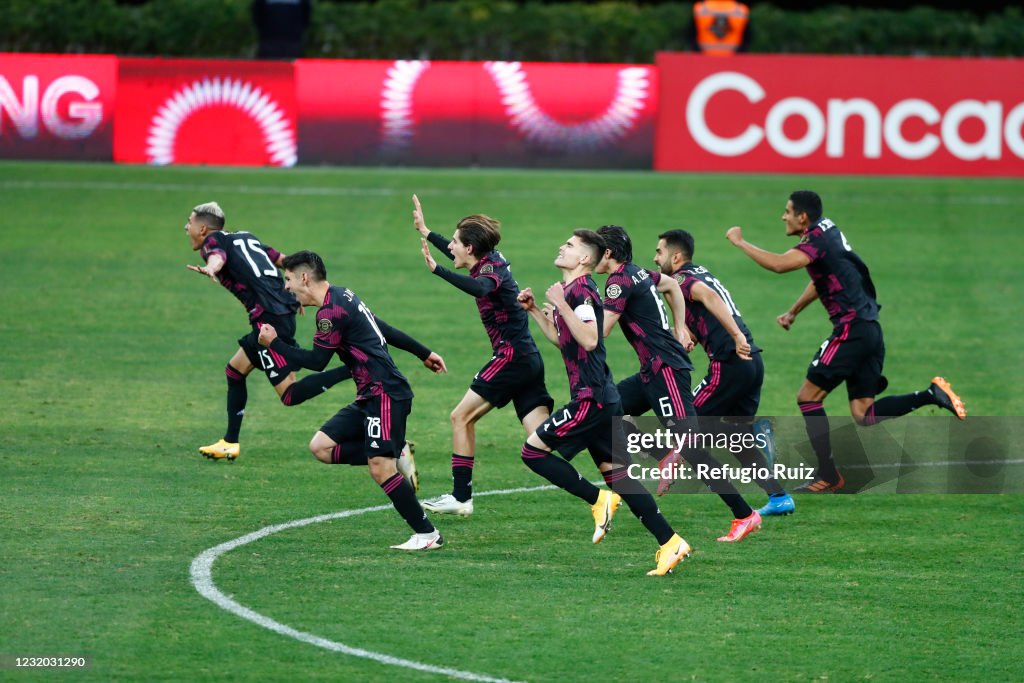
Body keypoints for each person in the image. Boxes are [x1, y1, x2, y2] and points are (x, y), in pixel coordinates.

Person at [726, 191, 967, 492]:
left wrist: (739, 242)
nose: (783, 216)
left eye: (787, 211)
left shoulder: (815, 241)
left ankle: (827, 475)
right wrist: (793, 311)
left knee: (808, 398)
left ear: (802, 217)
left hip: (851, 330)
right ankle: (931, 394)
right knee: (863, 414)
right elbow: (823, 279)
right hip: (870, 329)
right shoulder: (828, 229)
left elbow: (778, 264)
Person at [516, 229, 691, 576]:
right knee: (621, 478)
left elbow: (592, 340)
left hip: (590, 399)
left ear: (584, 258)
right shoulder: (572, 291)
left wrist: (562, 305)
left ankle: (598, 501)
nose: (561, 246)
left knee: (532, 452)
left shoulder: (579, 291)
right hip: (600, 396)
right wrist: (536, 311)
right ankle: (671, 543)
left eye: (569, 245)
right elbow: (566, 341)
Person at [257, 250, 447, 550]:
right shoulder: (343, 295)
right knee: (320, 447)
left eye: (289, 279)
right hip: (370, 394)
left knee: (379, 467)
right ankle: (395, 452)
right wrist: (424, 353)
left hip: (384, 393)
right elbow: (382, 327)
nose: (287, 287)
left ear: (304, 277)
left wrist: (274, 344)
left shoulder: (329, 313)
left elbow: (318, 361)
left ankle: (427, 534)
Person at [595, 225, 762, 543]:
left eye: (592, 251)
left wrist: (566, 313)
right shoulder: (638, 273)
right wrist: (681, 327)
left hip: (666, 371)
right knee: (604, 410)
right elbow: (670, 284)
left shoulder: (619, 281)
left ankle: (744, 514)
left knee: (694, 449)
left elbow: (599, 333)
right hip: (650, 372)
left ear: (606, 254)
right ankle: (663, 454)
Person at [411, 195, 553, 515]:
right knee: (542, 441)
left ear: (470, 249)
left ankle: (462, 498)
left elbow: (480, 288)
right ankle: (602, 489)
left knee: (460, 417)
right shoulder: (488, 259)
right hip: (526, 358)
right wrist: (427, 231)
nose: (451, 248)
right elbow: (460, 254)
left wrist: (437, 270)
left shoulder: (489, 273)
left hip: (511, 358)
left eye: (456, 243)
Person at [185, 201, 352, 462]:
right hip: (277, 312)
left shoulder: (212, 243)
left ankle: (352, 368)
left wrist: (211, 268)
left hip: (268, 320)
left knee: (289, 394)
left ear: (203, 227)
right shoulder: (244, 237)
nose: (186, 227)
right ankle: (230, 441)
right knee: (235, 371)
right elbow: (281, 259)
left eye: (190, 222)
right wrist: (296, 291)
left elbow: (218, 258)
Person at [653, 229, 794, 516]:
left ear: (676, 257)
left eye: (659, 253)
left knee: (685, 420)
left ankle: (756, 434)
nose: (655, 258)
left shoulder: (682, 279)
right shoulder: (700, 272)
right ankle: (779, 497)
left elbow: (711, 299)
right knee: (734, 438)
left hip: (730, 362)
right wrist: (690, 334)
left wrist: (735, 336)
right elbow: (704, 313)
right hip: (751, 362)